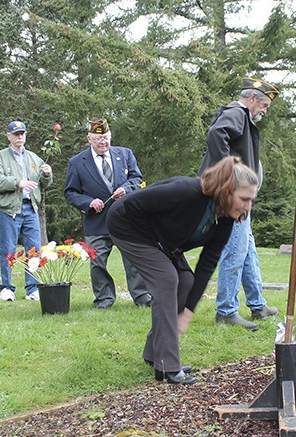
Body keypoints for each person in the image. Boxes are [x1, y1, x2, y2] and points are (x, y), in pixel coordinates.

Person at [107, 156, 259, 384]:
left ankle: (155, 355)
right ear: (227, 190)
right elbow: (131, 204)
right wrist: (157, 242)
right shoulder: (187, 192)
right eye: (244, 199)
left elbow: (207, 264)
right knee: (167, 279)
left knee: (185, 281)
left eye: (251, 200)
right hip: (126, 226)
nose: (248, 207)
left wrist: (187, 312)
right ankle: (168, 366)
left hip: (161, 240)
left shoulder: (225, 219)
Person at [199, 78, 280, 331]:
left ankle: (257, 305)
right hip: (232, 198)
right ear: (252, 98)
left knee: (248, 251)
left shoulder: (242, 117)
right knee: (235, 251)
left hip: (240, 198)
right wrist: (231, 177)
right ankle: (226, 311)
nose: (264, 110)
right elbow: (216, 135)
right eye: (264, 104)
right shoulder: (237, 112)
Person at [65, 118, 151, 309]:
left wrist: (126, 189)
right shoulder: (77, 162)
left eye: (105, 137)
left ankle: (142, 296)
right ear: (89, 139)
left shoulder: (125, 154)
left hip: (125, 220)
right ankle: (104, 298)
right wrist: (88, 202)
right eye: (98, 138)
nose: (103, 142)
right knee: (98, 263)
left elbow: (137, 178)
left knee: (134, 259)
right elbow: (70, 192)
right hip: (96, 221)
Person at [0, 121, 53, 302]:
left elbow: (44, 184)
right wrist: (18, 182)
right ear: (8, 136)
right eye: (16, 134)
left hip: (31, 209)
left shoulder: (34, 158)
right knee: (8, 249)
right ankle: (7, 288)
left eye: (22, 134)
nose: (20, 137)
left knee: (34, 250)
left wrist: (47, 174)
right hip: (9, 210)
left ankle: (32, 288)